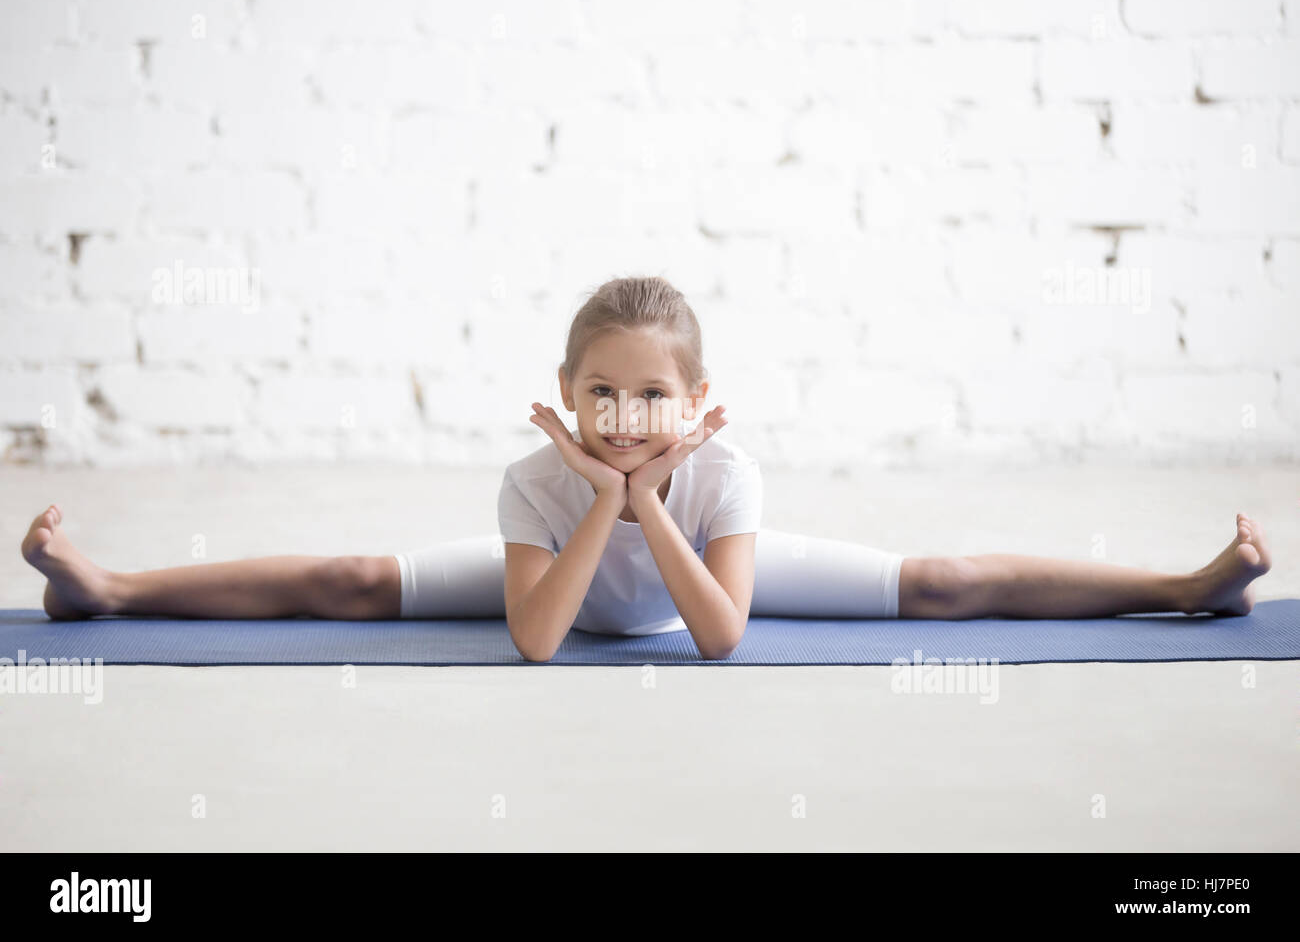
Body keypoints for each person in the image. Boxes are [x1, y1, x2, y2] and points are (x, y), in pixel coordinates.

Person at [20, 276, 1272, 662]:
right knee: (348, 573)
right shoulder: (533, 478)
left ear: (697, 402)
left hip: (694, 563)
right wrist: (598, 496)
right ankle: (112, 590)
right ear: (568, 393)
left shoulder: (729, 477)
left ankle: (1187, 581)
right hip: (564, 570)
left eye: (653, 395)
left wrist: (645, 500)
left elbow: (716, 632)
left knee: (941, 579)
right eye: (601, 394)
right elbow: (537, 639)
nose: (625, 414)